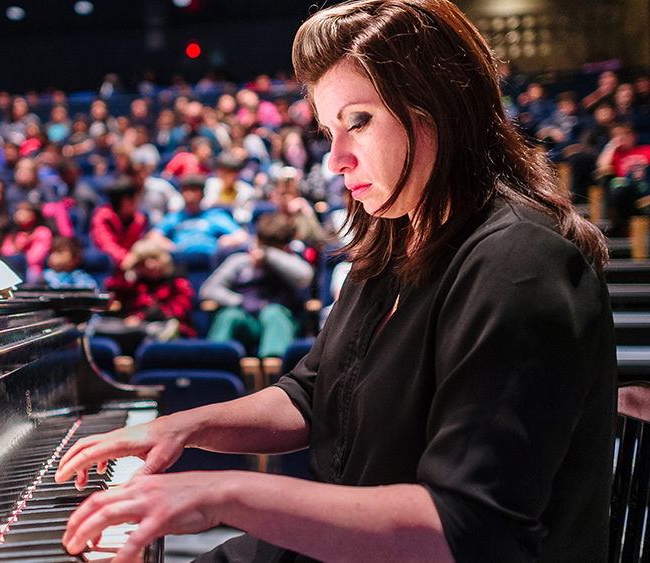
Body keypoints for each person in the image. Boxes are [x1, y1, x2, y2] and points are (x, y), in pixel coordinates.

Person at [53, 2, 615, 563]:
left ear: (440, 107)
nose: (337, 159)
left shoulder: (520, 265)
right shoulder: (393, 245)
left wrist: (223, 491)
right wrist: (181, 428)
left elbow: (467, 528)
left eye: (360, 121)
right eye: (328, 130)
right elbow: (310, 395)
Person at [200, 212, 313, 360]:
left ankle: (274, 373)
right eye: (264, 246)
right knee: (229, 316)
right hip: (247, 322)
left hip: (279, 324)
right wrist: (238, 301)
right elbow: (208, 290)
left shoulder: (291, 262)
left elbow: (305, 277)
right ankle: (214, 366)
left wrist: (269, 255)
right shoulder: (240, 261)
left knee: (273, 313)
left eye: (274, 248)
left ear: (285, 247)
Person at [148, 174, 249, 255]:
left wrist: (227, 241)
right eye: (185, 190)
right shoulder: (175, 216)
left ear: (202, 193)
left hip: (210, 262)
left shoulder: (215, 215)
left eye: (193, 190)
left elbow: (242, 236)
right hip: (181, 263)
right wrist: (168, 245)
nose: (189, 194)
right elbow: (153, 235)